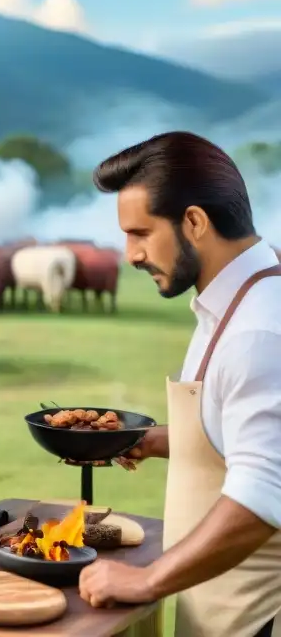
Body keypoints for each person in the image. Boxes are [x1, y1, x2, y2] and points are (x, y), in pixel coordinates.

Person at [78, 131, 281, 637]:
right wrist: (153, 441)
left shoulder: (259, 329)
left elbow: (262, 496)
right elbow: (246, 432)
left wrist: (146, 581)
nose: (130, 255)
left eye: (140, 233)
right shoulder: (239, 300)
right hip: (217, 610)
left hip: (254, 619)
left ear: (194, 221)